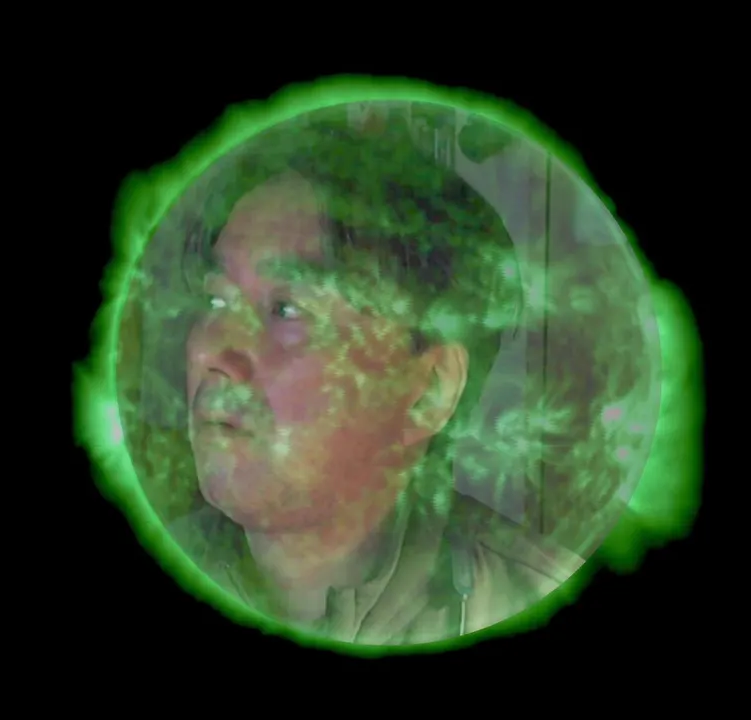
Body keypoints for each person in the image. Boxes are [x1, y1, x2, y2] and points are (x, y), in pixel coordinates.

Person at [121, 108, 585, 644]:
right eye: (216, 299)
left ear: (428, 392)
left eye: (287, 310)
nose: (212, 352)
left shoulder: (530, 599)